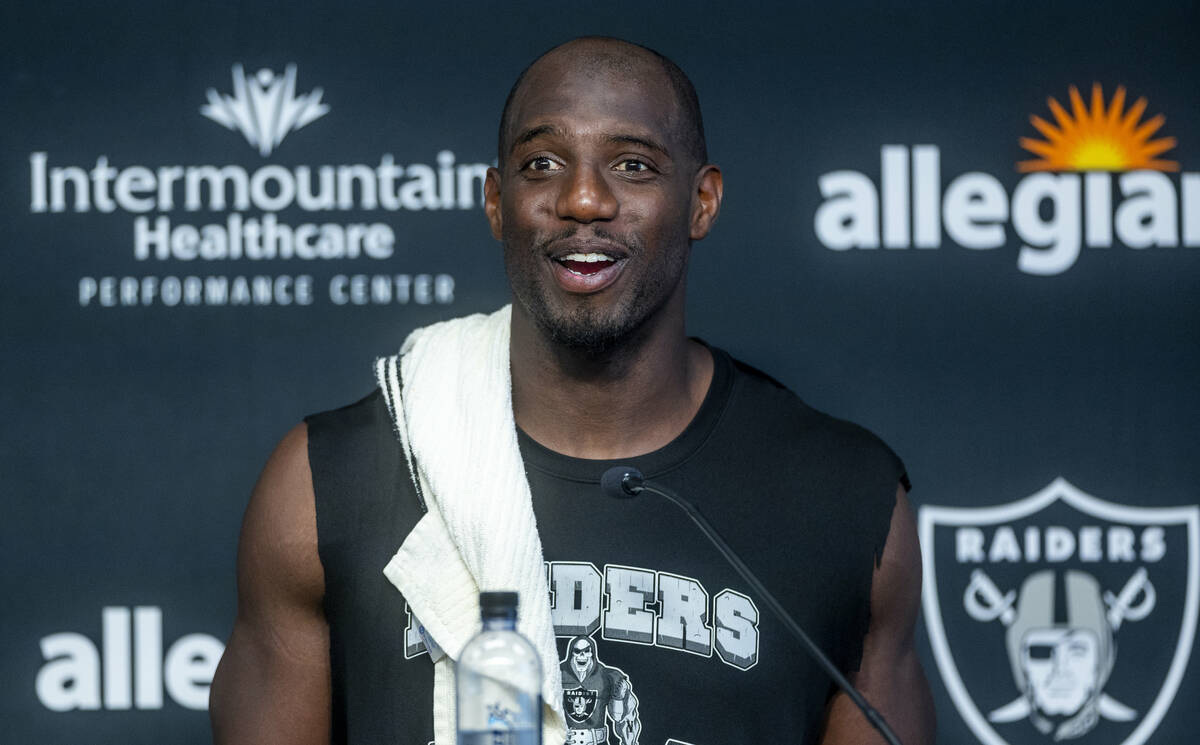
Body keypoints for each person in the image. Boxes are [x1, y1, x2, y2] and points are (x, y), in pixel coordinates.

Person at [210, 36, 935, 745]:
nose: (584, 198)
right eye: (543, 162)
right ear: (497, 202)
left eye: (633, 164)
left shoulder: (846, 500)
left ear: (702, 201)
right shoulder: (330, 484)